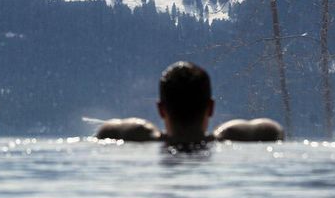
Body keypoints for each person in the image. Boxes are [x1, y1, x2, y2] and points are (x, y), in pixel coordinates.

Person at [93, 61, 283, 145]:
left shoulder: (138, 136)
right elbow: (273, 129)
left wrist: (151, 134)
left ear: (161, 109)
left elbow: (105, 131)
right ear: (211, 108)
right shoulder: (231, 137)